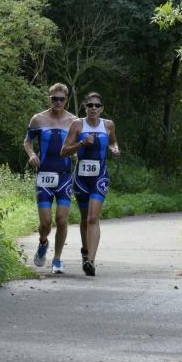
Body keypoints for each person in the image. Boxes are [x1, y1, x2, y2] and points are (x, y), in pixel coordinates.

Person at [60, 92, 120, 277]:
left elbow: (113, 142)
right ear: (85, 107)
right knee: (85, 217)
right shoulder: (77, 124)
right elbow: (64, 151)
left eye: (97, 105)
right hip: (81, 178)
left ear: (101, 108)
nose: (93, 108)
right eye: (90, 105)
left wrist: (115, 149)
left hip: (100, 177)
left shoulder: (108, 125)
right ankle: (85, 252)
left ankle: (91, 261)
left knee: (93, 217)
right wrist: (82, 143)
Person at [23, 83, 78, 274]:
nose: (58, 102)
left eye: (61, 99)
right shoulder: (38, 119)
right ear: (49, 99)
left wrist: (76, 154)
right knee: (46, 222)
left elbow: (78, 145)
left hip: (64, 176)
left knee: (61, 219)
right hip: (44, 175)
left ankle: (57, 260)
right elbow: (27, 142)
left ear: (66, 100)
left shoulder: (74, 121)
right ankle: (43, 241)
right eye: (55, 98)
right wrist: (31, 155)